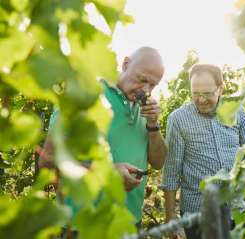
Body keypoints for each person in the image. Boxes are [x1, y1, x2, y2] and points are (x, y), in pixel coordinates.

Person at [39, 46, 167, 236]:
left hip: (128, 223)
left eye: (153, 85)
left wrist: (153, 124)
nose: (146, 90)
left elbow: (158, 162)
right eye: (142, 80)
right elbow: (47, 162)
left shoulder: (147, 108)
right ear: (125, 64)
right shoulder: (84, 93)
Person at [159, 63, 245, 239]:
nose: (201, 100)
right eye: (196, 93)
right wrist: (170, 214)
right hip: (198, 211)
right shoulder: (178, 119)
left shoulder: (237, 111)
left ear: (220, 89)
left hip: (236, 209)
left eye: (208, 93)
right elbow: (171, 169)